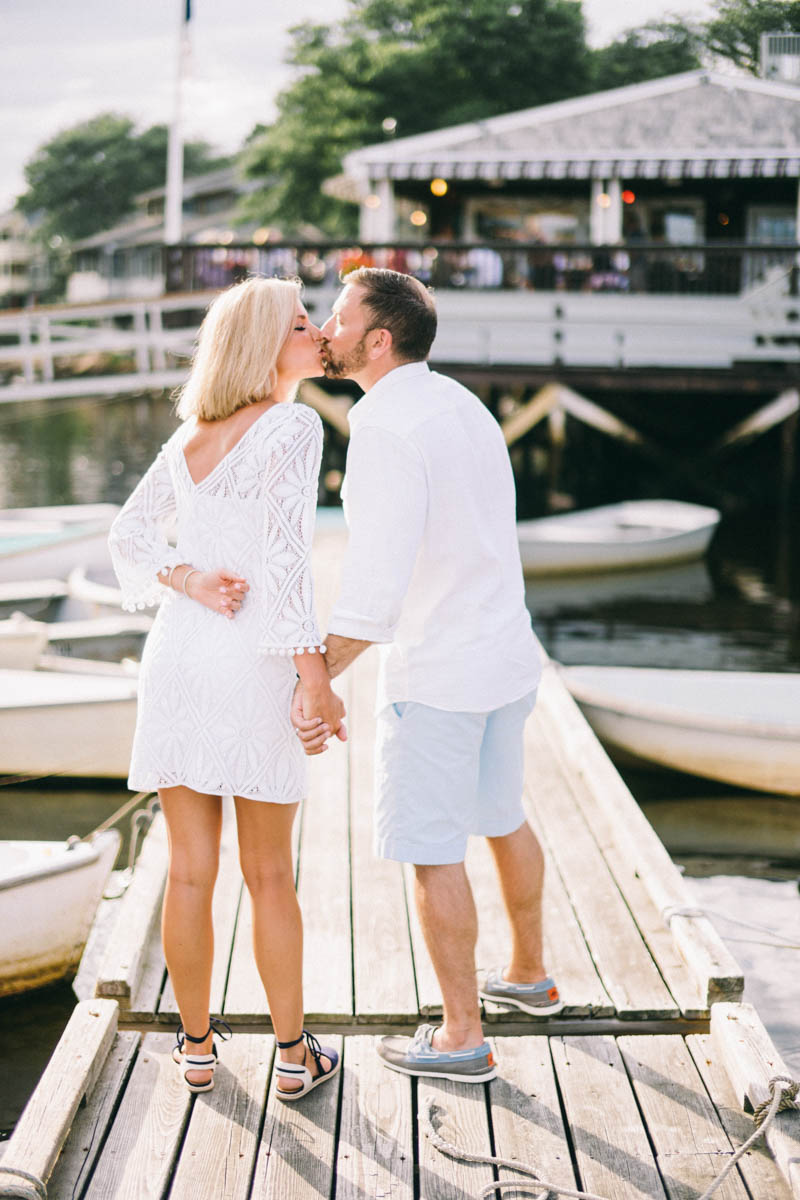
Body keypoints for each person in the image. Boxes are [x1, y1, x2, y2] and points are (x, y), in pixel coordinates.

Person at [293, 267, 562, 1083]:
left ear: (378, 339)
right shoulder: (463, 405)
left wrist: (320, 676)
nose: (327, 331)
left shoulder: (382, 423)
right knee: (502, 813)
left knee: (431, 849)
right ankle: (529, 976)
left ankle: (461, 1038)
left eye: (338, 319)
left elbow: (376, 577)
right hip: (506, 652)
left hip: (440, 670)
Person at [109, 276, 344, 1100]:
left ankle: (198, 1050)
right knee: (270, 874)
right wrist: (313, 675)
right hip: (250, 664)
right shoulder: (292, 424)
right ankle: (291, 1056)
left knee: (189, 873)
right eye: (303, 325)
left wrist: (187, 578)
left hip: (179, 661)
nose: (318, 336)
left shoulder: (189, 439)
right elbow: (288, 563)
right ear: (264, 344)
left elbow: (128, 535)